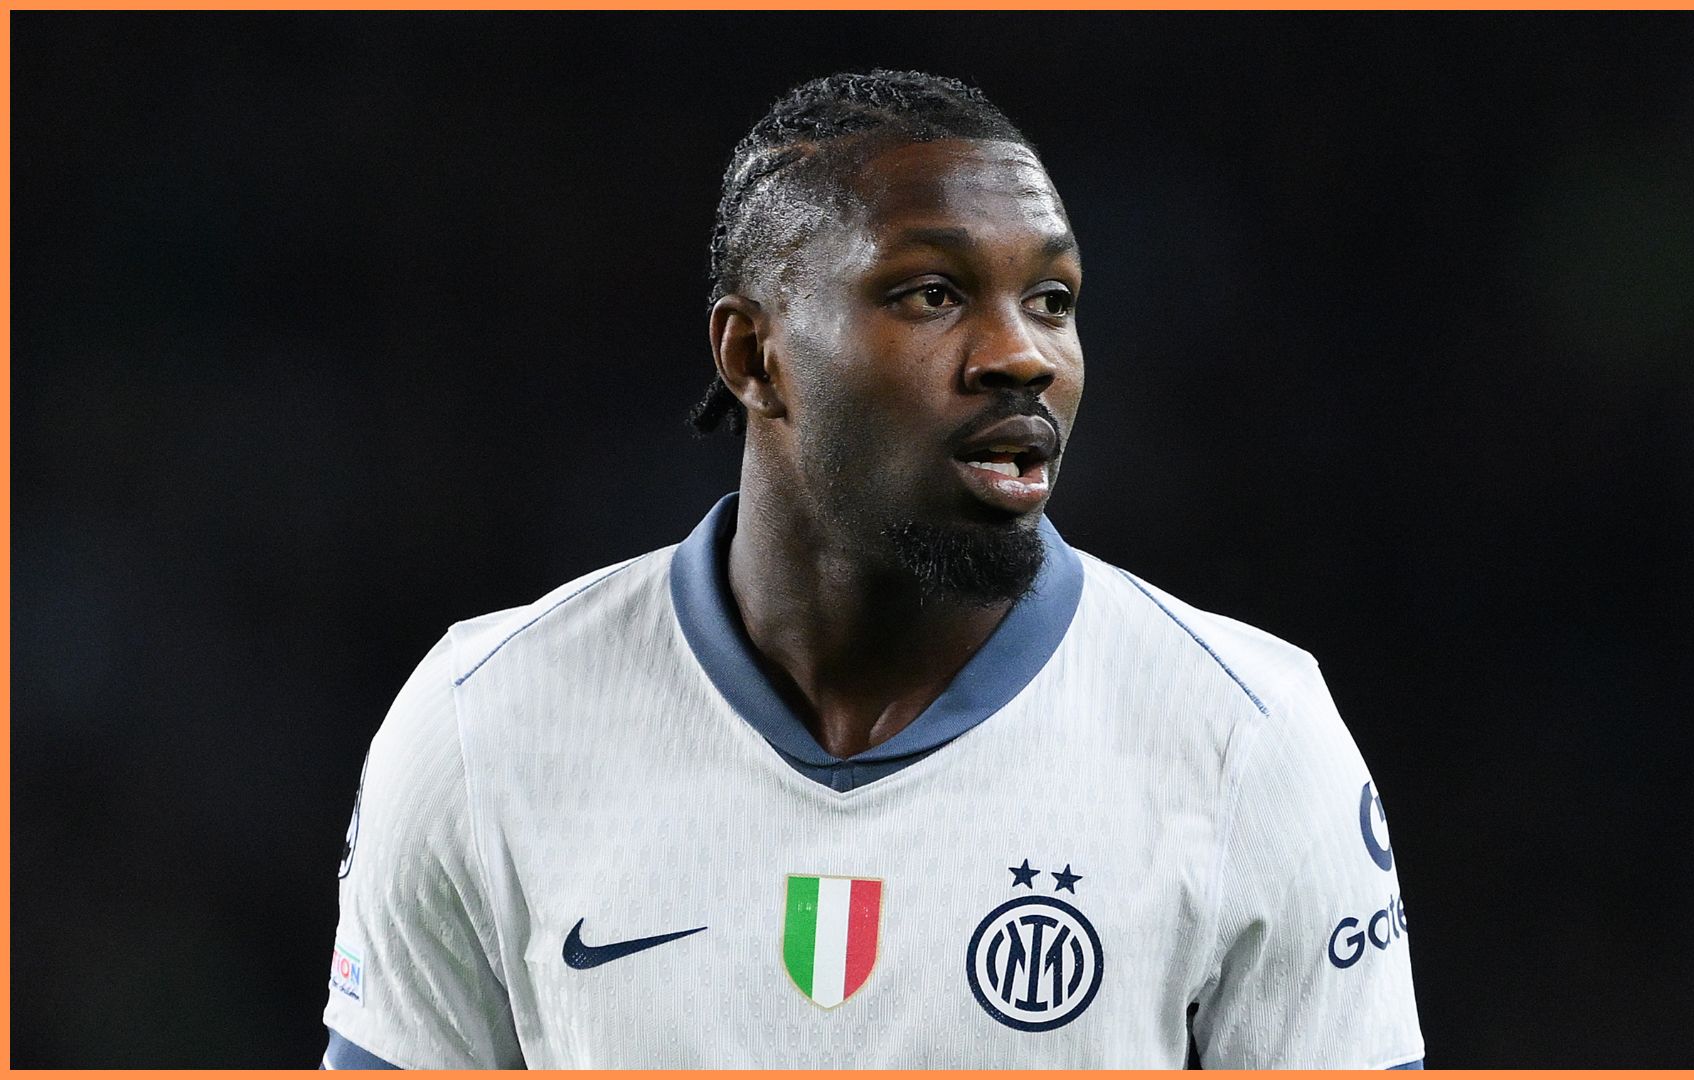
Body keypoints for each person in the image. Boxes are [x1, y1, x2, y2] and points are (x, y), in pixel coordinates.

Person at [321, 69, 1423, 1070]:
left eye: (1052, 300)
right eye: (932, 293)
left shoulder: (1247, 740)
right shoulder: (485, 724)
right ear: (755, 356)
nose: (1023, 354)